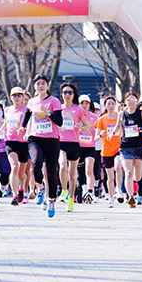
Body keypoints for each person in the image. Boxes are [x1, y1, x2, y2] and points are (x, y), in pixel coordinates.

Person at [20, 74, 63, 218]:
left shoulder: (54, 101)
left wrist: (49, 113)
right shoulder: (32, 101)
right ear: (34, 86)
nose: (40, 86)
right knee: (36, 163)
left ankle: (51, 200)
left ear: (47, 85)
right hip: (35, 138)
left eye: (43, 83)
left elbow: (60, 122)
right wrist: (22, 126)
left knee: (51, 172)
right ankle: (40, 186)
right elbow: (27, 115)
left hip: (51, 140)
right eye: (38, 84)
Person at [115, 92, 142, 209]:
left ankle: (136, 187)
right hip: (125, 146)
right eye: (129, 100)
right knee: (128, 172)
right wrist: (111, 134)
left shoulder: (141, 113)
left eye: (133, 100)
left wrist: (140, 129)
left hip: (139, 146)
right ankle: (131, 197)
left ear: (137, 102)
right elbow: (117, 126)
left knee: (137, 176)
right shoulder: (122, 114)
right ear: (125, 102)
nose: (131, 102)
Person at [57, 82, 85, 213]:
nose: (67, 95)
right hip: (61, 141)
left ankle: (71, 198)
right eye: (65, 92)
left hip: (74, 143)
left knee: (72, 174)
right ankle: (64, 190)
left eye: (70, 92)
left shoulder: (78, 109)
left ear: (74, 95)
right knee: (62, 165)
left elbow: (88, 125)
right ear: (61, 95)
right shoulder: (58, 108)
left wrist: (81, 126)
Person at [2, 87, 29, 206]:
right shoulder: (7, 110)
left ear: (23, 97)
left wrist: (23, 128)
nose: (16, 97)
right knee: (14, 167)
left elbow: (31, 125)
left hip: (23, 142)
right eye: (14, 95)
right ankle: (14, 194)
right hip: (10, 141)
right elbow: (6, 123)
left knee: (22, 173)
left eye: (19, 95)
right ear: (10, 97)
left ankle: (22, 188)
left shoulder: (27, 110)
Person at [96, 96, 121, 207]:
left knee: (119, 165)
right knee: (110, 178)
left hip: (119, 148)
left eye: (112, 103)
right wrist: (100, 134)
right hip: (106, 151)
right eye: (108, 104)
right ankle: (111, 197)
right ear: (105, 106)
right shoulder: (101, 120)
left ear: (115, 105)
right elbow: (96, 137)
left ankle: (119, 188)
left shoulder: (119, 117)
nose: (111, 106)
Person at [77, 95, 99, 204]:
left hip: (90, 147)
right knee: (79, 172)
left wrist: (98, 134)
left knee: (89, 169)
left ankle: (90, 192)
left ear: (90, 104)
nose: (84, 106)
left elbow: (97, 130)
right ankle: (82, 189)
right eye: (82, 103)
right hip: (78, 146)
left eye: (87, 103)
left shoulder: (94, 117)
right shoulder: (76, 115)